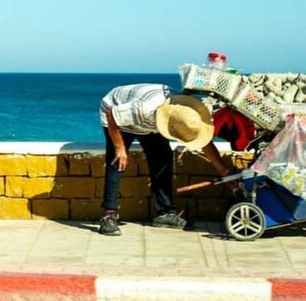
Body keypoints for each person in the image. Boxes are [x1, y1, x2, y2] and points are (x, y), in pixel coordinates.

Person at [97, 83, 230, 236]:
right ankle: (108, 215)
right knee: (117, 162)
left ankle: (165, 213)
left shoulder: (186, 114)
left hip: (149, 122)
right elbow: (112, 114)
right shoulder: (144, 109)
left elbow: (205, 144)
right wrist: (119, 147)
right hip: (116, 115)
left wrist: (227, 175)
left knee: (163, 159)